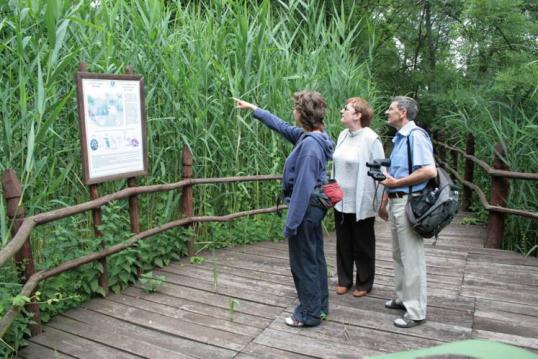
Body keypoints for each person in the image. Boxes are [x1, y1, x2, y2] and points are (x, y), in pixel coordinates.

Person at [234, 91, 334, 327]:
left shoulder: (309, 146)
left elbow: (302, 188)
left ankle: (309, 314)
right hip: (313, 208)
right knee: (315, 258)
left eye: (296, 108)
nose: (293, 112)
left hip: (306, 209)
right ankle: (319, 306)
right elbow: (281, 126)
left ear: (303, 114)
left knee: (303, 262)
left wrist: (291, 223)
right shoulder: (312, 137)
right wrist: (254, 109)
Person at [378, 96, 437, 328]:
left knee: (411, 257)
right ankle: (402, 297)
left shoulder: (415, 136)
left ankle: (416, 311)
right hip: (396, 201)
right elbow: (393, 174)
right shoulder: (400, 139)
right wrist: (384, 201)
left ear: (402, 112)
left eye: (390, 109)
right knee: (399, 254)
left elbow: (429, 170)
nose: (386, 112)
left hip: (409, 202)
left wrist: (398, 183)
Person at [333, 97, 384, 298]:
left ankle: (364, 282)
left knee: (363, 243)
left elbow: (380, 170)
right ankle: (344, 279)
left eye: (345, 109)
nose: (341, 111)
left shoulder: (371, 138)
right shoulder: (342, 135)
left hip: (362, 200)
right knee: (343, 242)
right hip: (340, 200)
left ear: (357, 115)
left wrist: (381, 202)